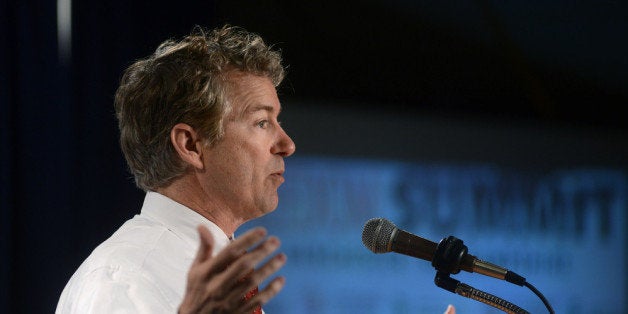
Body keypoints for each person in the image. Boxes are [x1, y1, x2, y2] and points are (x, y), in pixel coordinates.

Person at [56, 25, 295, 313]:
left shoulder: (221, 281)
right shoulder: (124, 279)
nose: (287, 144)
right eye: (261, 122)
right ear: (191, 145)